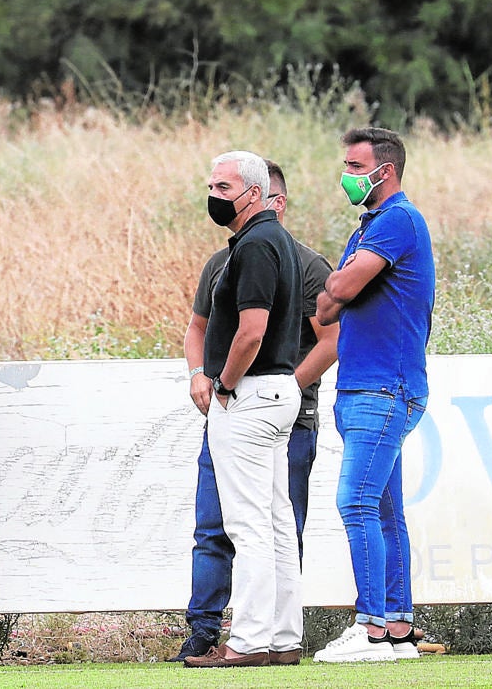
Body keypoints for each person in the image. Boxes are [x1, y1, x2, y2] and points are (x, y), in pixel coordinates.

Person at [173, 160, 337, 664]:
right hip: (277, 392)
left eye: (223, 186)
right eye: (210, 185)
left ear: (255, 193)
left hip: (251, 393)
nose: (213, 194)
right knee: (276, 521)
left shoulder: (257, 244)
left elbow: (251, 331)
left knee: (248, 527)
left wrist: (222, 382)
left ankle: (246, 642)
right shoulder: (276, 242)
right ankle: (285, 639)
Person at [313, 128, 435, 663]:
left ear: (384, 171)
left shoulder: (396, 221)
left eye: (354, 166)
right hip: (370, 385)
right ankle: (398, 629)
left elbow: (336, 292)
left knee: (355, 502)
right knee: (385, 510)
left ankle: (370, 630)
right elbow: (328, 309)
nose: (348, 176)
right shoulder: (369, 227)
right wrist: (341, 289)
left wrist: (341, 287)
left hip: (384, 386)